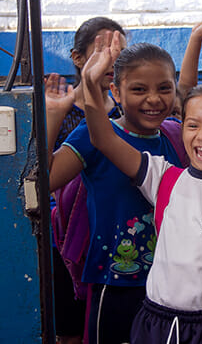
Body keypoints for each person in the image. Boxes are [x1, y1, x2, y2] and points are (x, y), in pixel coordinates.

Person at [48, 32, 187, 343]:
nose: (154, 99)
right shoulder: (95, 135)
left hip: (172, 284)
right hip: (114, 283)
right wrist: (54, 117)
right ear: (116, 92)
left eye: (165, 88)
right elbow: (45, 178)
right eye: (139, 89)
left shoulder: (177, 135)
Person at [44, 16, 126, 344]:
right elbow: (41, 173)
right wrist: (54, 114)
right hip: (67, 239)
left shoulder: (126, 109)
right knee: (72, 330)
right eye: (103, 50)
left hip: (116, 233)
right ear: (78, 58)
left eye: (120, 51)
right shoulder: (60, 106)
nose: (112, 59)